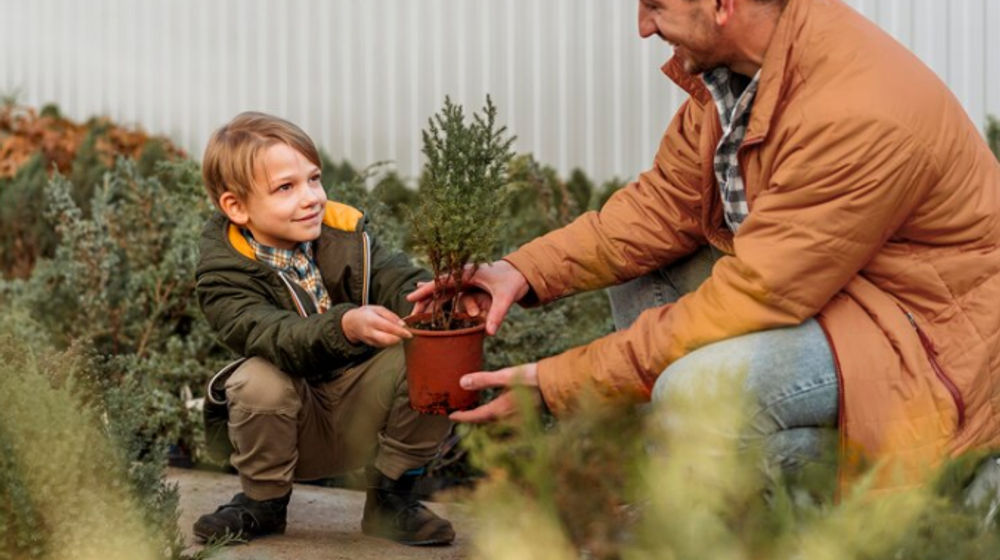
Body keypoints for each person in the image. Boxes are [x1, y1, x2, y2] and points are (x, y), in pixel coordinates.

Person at [409, 0, 1000, 489]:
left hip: (921, 334)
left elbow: (753, 295)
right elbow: (665, 205)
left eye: (655, 7)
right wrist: (520, 271)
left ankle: (937, 487)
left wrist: (557, 384)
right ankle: (695, 475)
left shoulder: (856, 111)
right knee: (646, 283)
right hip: (836, 294)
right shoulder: (743, 74)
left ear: (722, 6)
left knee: (695, 394)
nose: (643, 27)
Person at [193, 112, 455, 545]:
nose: (311, 197)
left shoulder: (345, 232)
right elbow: (274, 335)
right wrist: (345, 325)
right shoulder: (223, 272)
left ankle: (392, 498)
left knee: (433, 352)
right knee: (257, 379)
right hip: (291, 427)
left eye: (314, 179)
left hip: (364, 414)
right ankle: (263, 503)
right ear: (237, 207)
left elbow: (396, 278)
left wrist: (438, 297)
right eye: (286, 187)